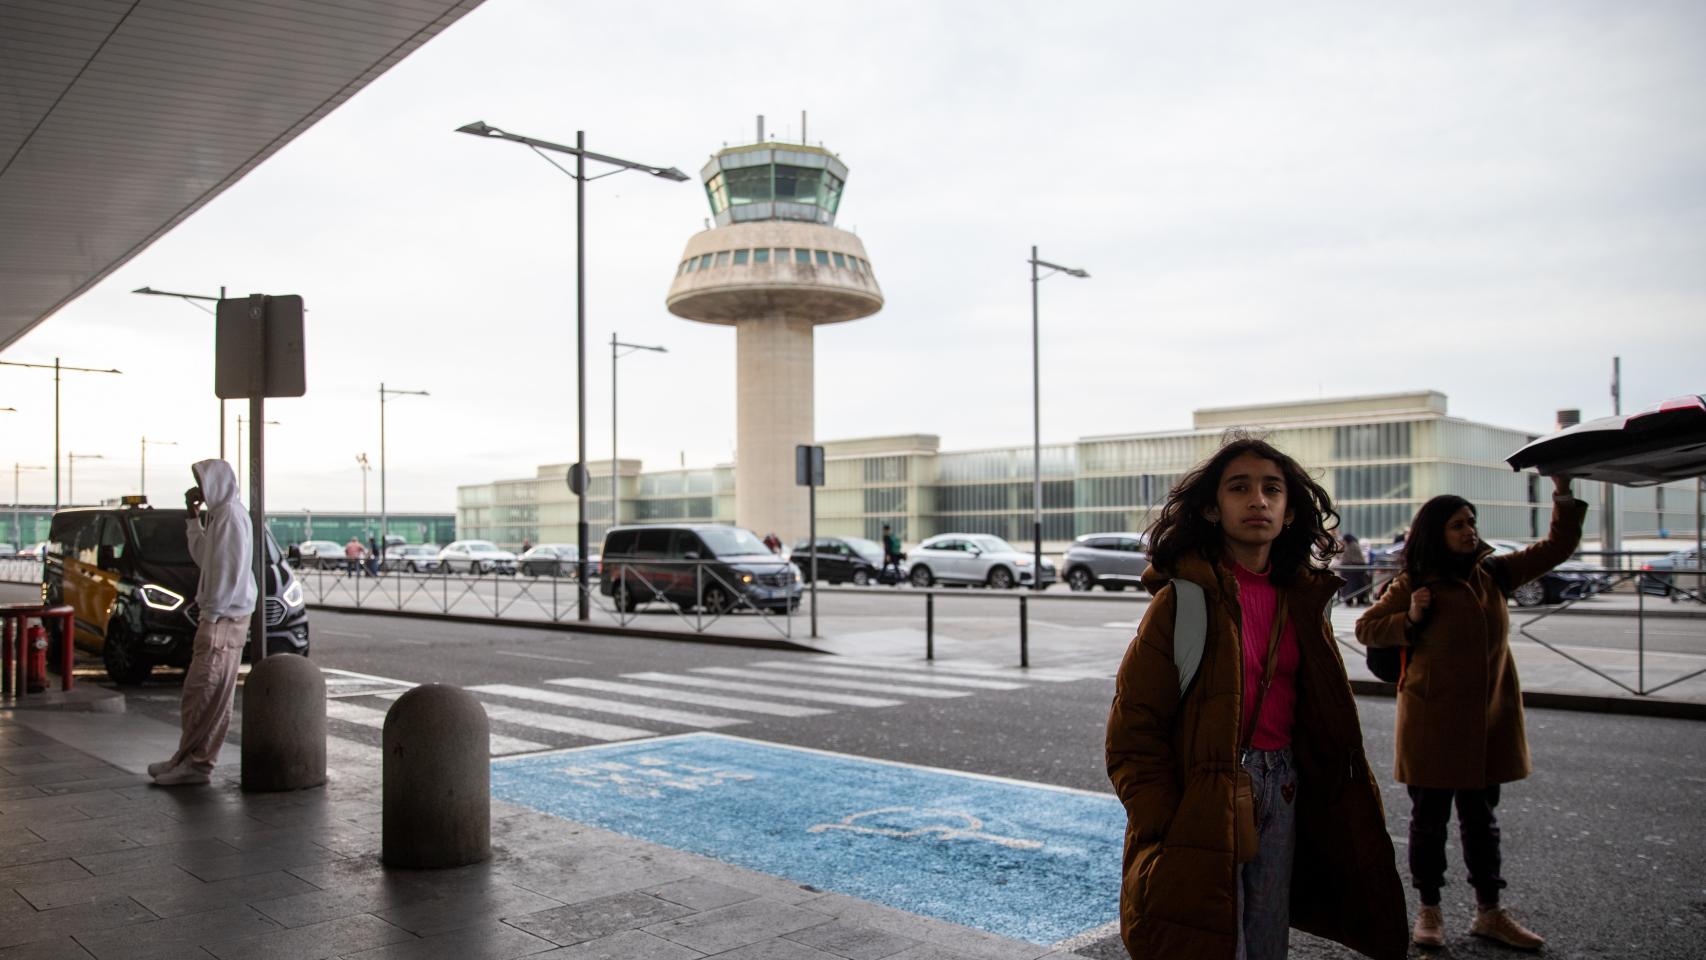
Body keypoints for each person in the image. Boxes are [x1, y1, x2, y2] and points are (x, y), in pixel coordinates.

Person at [1106, 436, 1406, 960]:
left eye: (1272, 489)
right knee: (1212, 943)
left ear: (1290, 512)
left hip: (1285, 787)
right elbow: (1132, 734)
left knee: (1267, 943)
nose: (1258, 501)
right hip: (1205, 795)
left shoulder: (1305, 599)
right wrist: (1167, 823)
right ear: (1211, 508)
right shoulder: (1183, 603)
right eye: (1239, 488)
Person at [1356, 475, 1584, 952]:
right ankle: (1429, 909)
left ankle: (1489, 912)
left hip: (1487, 724)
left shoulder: (1495, 574)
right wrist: (1410, 619)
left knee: (1482, 822)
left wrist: (1561, 492)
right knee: (1429, 822)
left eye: (1472, 522)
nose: (1469, 531)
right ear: (1436, 531)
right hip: (1430, 724)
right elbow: (1367, 629)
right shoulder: (1414, 583)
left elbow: (1558, 546)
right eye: (1458, 524)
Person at [147, 460, 257, 786]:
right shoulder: (223, 515)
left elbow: (227, 572)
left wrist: (211, 614)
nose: (200, 489)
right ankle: (187, 759)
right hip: (222, 615)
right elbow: (205, 556)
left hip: (222, 618)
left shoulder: (231, 517)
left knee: (204, 693)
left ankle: (196, 765)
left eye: (202, 482)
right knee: (205, 695)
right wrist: (193, 518)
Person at [1339, 533, 1369, 605]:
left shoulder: (1350, 546)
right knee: (1357, 586)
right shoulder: (1354, 545)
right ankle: (1359, 599)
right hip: (1356, 570)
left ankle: (1349, 600)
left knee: (1350, 587)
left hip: (1350, 570)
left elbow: (1346, 558)